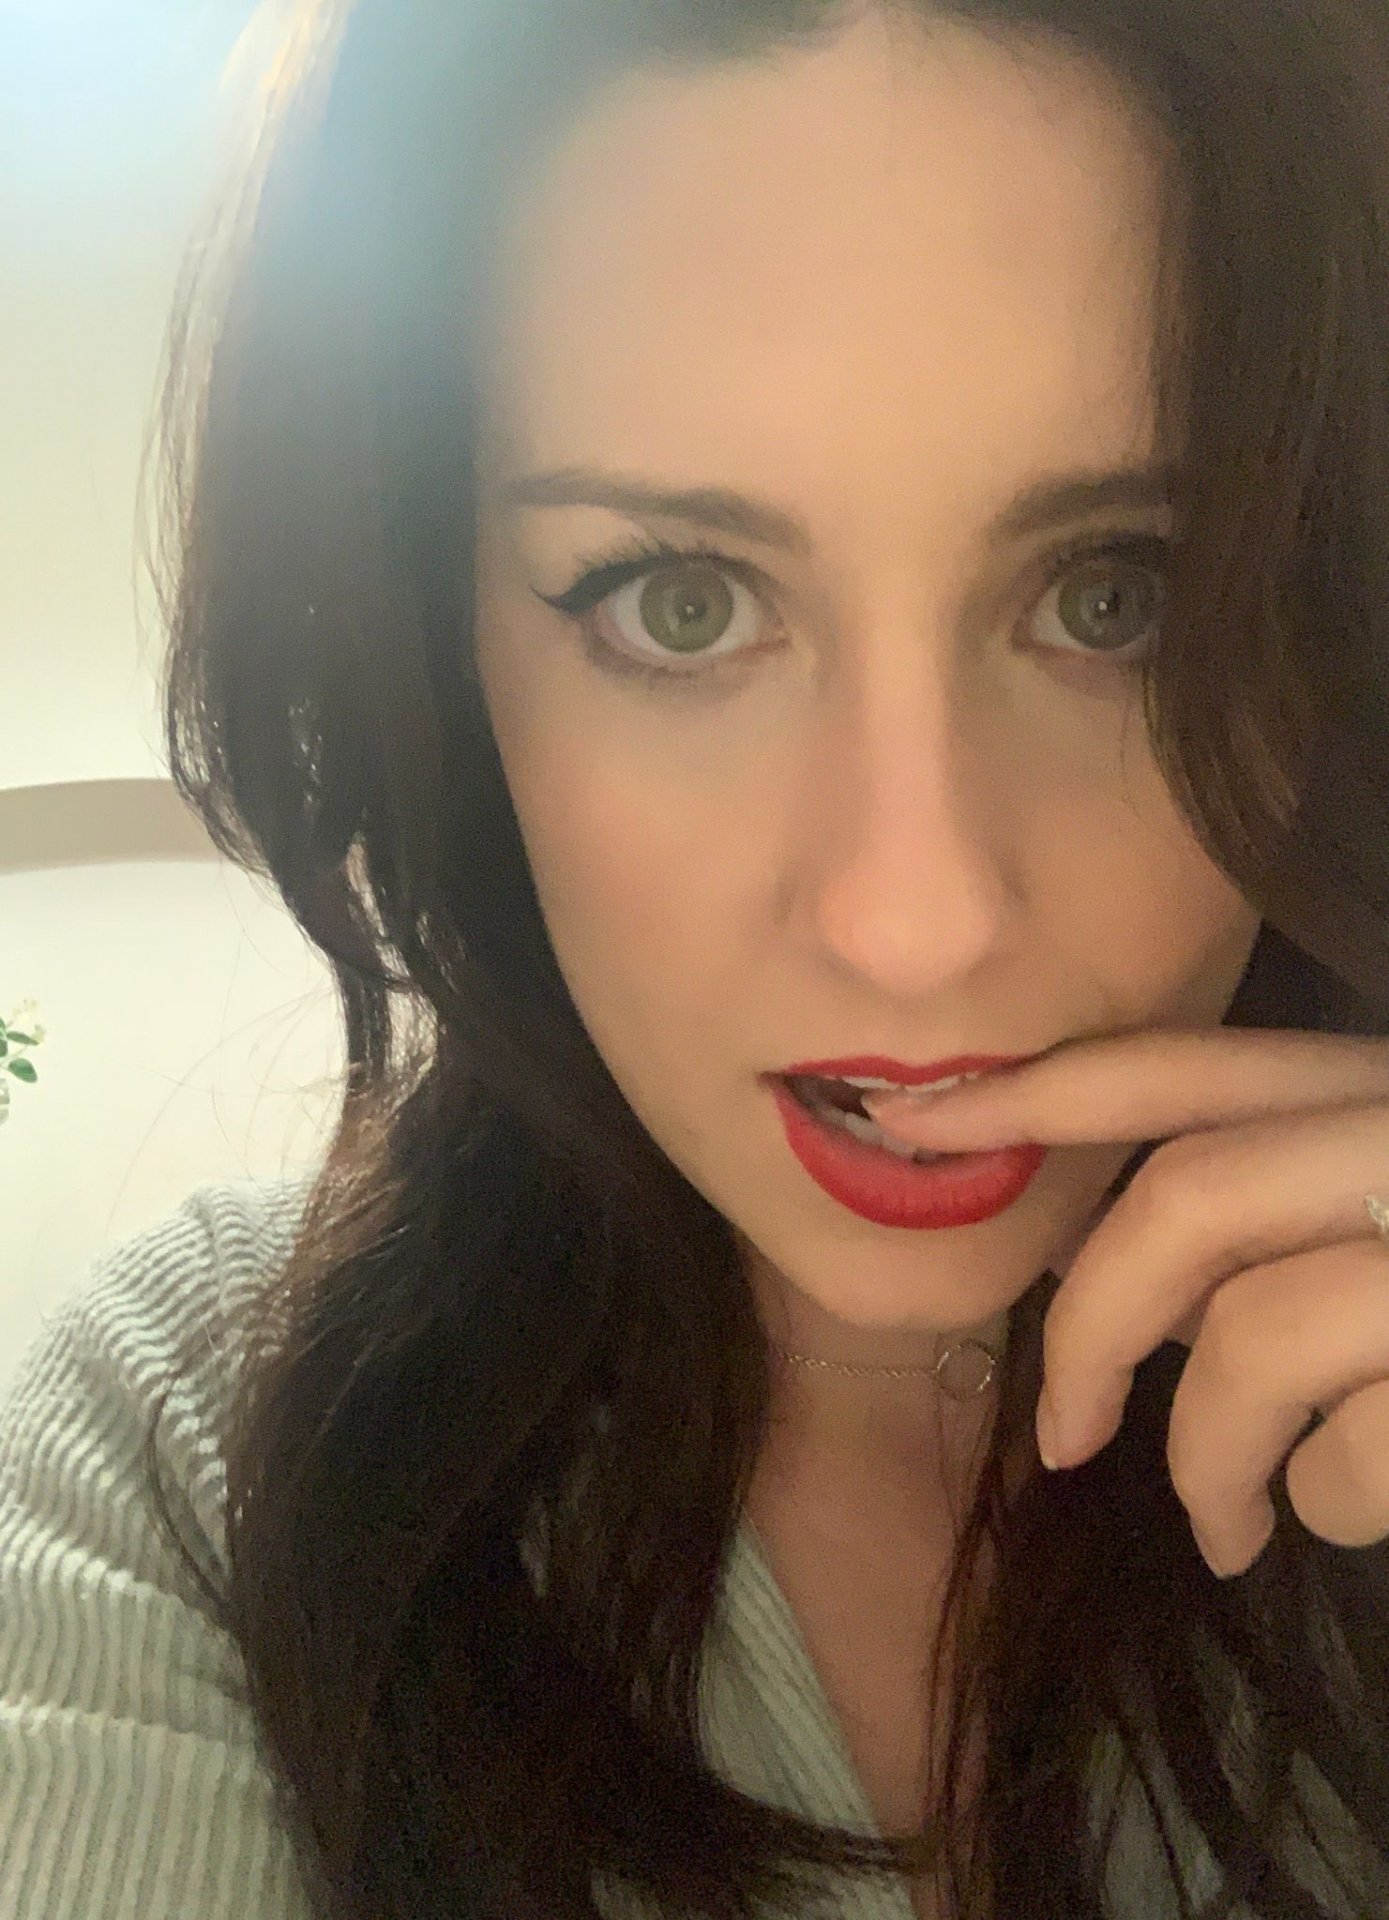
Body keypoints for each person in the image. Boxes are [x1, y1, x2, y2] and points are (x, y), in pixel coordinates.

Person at [4, 1, 1389, 1916]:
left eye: (1114, 597)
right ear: (443, 653)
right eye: (679, 604)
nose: (912, 921)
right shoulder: (182, 1459)